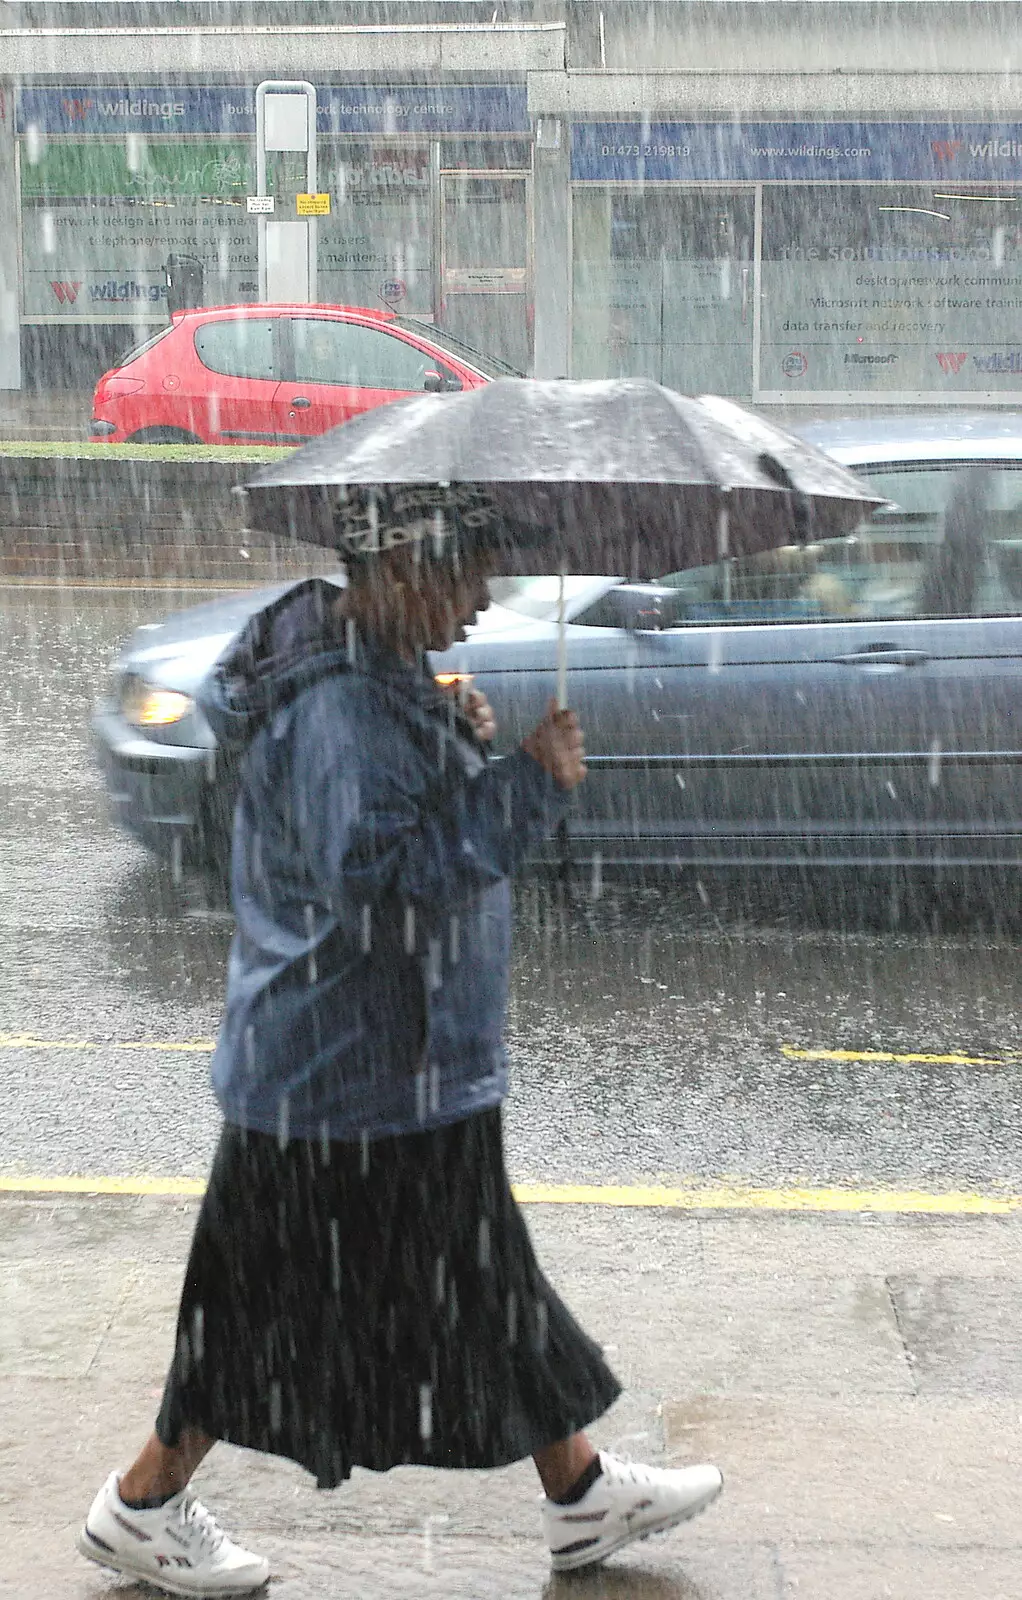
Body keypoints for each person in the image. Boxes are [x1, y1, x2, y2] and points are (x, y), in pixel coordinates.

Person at [77, 521, 722, 1598]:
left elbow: (377, 820)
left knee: (479, 1278)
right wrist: (521, 781)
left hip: (386, 1061)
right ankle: (140, 1504)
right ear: (395, 571)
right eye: (463, 575)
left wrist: (443, 727)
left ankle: (577, 1493)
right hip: (344, 1069)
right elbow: (375, 875)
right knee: (256, 1309)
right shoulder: (340, 705)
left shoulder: (371, 674)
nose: (481, 597)